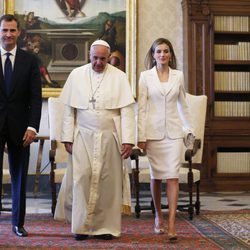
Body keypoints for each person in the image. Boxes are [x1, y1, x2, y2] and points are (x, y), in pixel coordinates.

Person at [54, 39, 135, 241]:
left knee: (109, 182)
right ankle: (80, 227)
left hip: (110, 137)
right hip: (83, 136)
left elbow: (126, 111)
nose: (98, 62)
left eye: (103, 59)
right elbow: (69, 110)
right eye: (95, 58)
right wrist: (67, 137)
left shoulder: (119, 77)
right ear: (89, 56)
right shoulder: (76, 75)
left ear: (109, 58)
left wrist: (128, 140)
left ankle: (106, 227)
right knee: (81, 179)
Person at [137, 38, 194, 241]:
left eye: (166, 51)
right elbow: (141, 109)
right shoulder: (145, 77)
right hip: (153, 135)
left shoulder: (178, 76)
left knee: (172, 176)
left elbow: (183, 105)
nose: (162, 54)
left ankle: (171, 223)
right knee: (156, 177)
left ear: (171, 55)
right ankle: (158, 216)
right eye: (158, 51)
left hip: (173, 134)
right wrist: (141, 136)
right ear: (153, 55)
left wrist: (189, 129)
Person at [0, 15, 42, 237]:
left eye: (12, 30)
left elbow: (36, 97)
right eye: (5, 30)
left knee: (19, 177)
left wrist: (32, 127)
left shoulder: (30, 60)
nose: (8, 34)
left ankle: (18, 223)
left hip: (21, 128)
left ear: (19, 32)